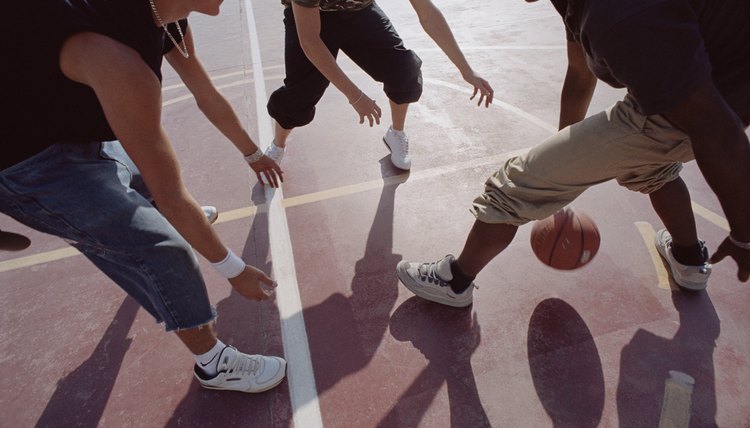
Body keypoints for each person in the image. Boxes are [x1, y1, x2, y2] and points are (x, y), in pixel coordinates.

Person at [1, 0, 287, 393]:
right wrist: (234, 270)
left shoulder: (167, 18)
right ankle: (213, 364)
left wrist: (253, 153)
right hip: (32, 167)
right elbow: (172, 196)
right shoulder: (117, 61)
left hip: (73, 132)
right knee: (165, 247)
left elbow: (206, 94)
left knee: (148, 192)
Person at [396, 0, 750, 307]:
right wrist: (566, 156)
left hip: (708, 109)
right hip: (715, 94)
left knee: (513, 185)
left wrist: (744, 234)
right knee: (649, 165)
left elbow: (718, 132)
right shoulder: (581, 6)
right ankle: (688, 261)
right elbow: (581, 76)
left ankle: (454, 282)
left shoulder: (619, 11)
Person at [264, 0, 495, 171]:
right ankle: (278, 145)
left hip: (360, 11)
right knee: (302, 91)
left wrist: (466, 69)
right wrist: (355, 96)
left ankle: (396, 133)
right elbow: (310, 41)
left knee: (404, 67)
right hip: (313, 19)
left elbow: (427, 13)